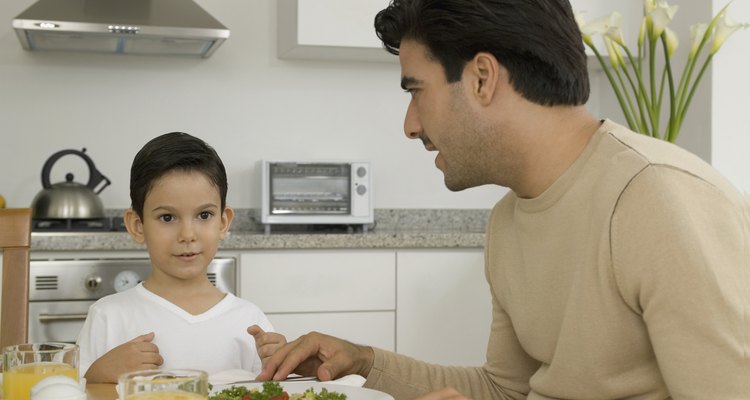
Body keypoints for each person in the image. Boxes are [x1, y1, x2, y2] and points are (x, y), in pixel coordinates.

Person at [251, 0, 750, 399]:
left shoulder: (661, 198)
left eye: (416, 90)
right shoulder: (508, 220)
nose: (410, 125)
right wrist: (364, 363)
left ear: (482, 79)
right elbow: (504, 389)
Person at [77, 132, 285, 383]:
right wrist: (97, 375)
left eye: (204, 215)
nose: (188, 234)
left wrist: (279, 368)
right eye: (167, 217)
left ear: (223, 222)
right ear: (137, 225)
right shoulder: (108, 317)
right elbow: (73, 391)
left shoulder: (250, 321)